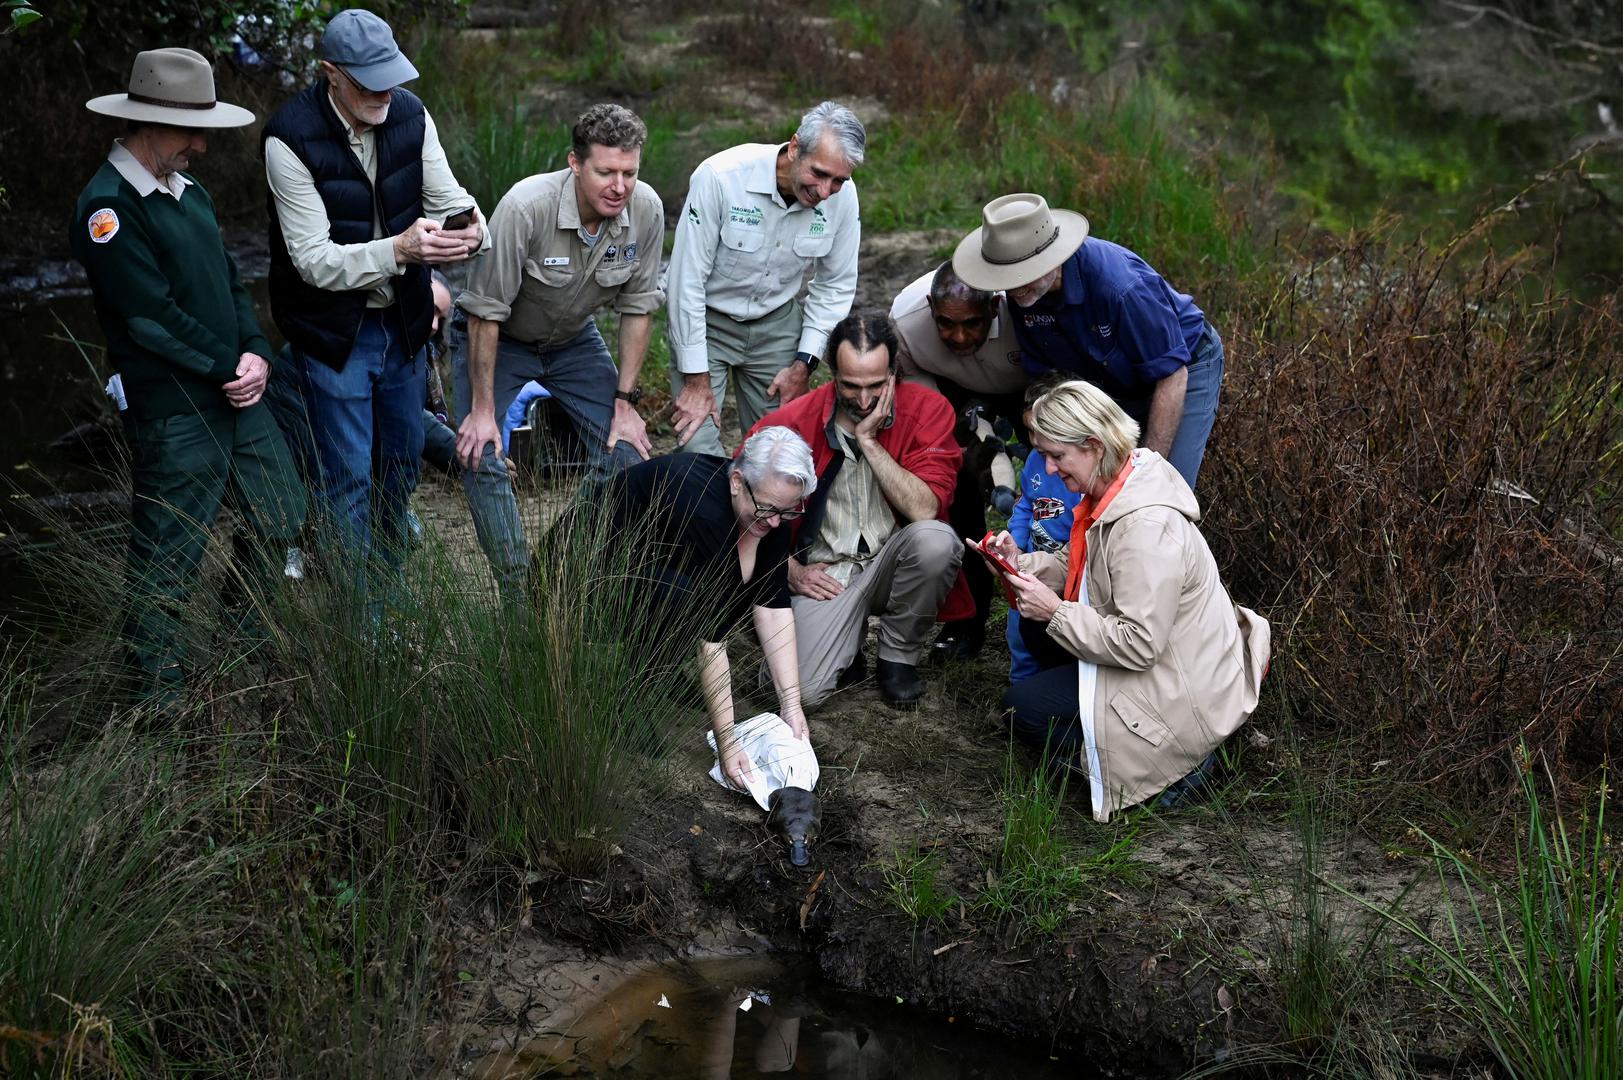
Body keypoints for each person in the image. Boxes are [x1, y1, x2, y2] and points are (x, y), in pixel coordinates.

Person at [72, 47, 305, 704]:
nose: (202, 146)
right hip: (176, 409)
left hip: (239, 391)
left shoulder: (187, 192)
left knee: (281, 513)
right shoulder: (109, 207)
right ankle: (159, 706)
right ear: (145, 122)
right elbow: (148, 317)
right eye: (190, 131)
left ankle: (243, 644)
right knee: (166, 561)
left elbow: (230, 284)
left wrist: (256, 348)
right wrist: (225, 363)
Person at [263, 8, 487, 610]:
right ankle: (365, 621)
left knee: (401, 464)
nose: (385, 93)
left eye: (391, 76)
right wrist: (401, 249)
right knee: (348, 477)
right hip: (335, 332)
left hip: (405, 323)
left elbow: (449, 197)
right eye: (368, 81)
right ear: (330, 73)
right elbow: (312, 261)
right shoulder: (288, 137)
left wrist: (472, 229)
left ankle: (387, 585)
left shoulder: (409, 114)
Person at [976, 381, 1269, 821]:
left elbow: (1139, 644)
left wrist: (1056, 611)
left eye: (1057, 456)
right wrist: (1022, 563)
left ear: (1094, 445)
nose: (1049, 470)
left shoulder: (1144, 529)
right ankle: (1116, 740)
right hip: (1172, 663)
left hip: (1178, 690)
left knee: (1023, 711)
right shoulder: (1120, 483)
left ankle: (1180, 768)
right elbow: (1083, 565)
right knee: (1038, 634)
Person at [451, 103, 664, 600]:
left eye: (629, 172)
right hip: (498, 338)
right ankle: (517, 589)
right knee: (479, 450)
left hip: (572, 340)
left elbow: (638, 309)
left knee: (627, 451)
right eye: (605, 171)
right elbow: (485, 311)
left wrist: (625, 405)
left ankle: (559, 560)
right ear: (575, 163)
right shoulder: (526, 207)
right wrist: (483, 412)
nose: (619, 186)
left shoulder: (647, 209)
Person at [744, 313, 969, 709]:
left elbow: (925, 509)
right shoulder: (794, 421)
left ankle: (897, 658)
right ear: (831, 374)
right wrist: (786, 568)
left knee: (936, 540)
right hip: (827, 572)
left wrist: (868, 441)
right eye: (850, 386)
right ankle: (842, 649)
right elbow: (741, 501)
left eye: (876, 386)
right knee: (800, 693)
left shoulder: (928, 410)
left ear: (895, 371)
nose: (864, 401)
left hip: (895, 559)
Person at [953, 193, 1225, 491]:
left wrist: (1146, 469)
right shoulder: (1025, 295)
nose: (1013, 289)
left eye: (1023, 275)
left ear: (1052, 259)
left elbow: (1171, 375)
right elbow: (1048, 380)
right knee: (1096, 481)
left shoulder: (1120, 287)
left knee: (1164, 486)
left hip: (1182, 365)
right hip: (1110, 377)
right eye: (1005, 277)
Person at [604, 427, 816, 790]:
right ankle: (625, 700)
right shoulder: (704, 512)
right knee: (685, 597)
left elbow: (773, 606)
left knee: (711, 587)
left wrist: (791, 705)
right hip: (591, 581)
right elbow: (710, 639)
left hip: (654, 574)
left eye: (787, 511)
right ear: (737, 481)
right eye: (767, 509)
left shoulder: (768, 510)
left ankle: (662, 669)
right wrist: (728, 743)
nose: (776, 522)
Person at [667, 102, 865, 456]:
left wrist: (804, 364)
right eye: (818, 174)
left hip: (776, 324)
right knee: (697, 447)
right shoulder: (720, 177)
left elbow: (836, 284)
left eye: (838, 181)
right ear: (794, 148)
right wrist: (696, 381)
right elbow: (686, 281)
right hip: (707, 321)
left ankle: (759, 509)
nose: (824, 191)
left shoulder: (843, 198)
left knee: (781, 450)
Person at [893, 259, 1031, 660]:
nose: (958, 335)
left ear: (995, 307)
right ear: (929, 309)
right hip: (950, 387)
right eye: (945, 324)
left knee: (1053, 482)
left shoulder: (1023, 310)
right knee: (957, 493)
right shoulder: (906, 322)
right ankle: (966, 620)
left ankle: (1052, 604)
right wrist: (958, 443)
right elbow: (922, 405)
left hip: (1027, 382)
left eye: (971, 323)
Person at [1003, 376, 1082, 683]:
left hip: (1064, 570)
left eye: (1042, 430)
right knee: (1017, 625)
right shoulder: (1038, 460)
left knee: (1053, 628)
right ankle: (1021, 682)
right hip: (1031, 562)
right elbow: (1025, 505)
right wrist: (1016, 542)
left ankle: (1052, 682)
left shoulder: (1078, 471)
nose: (1034, 439)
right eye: (1030, 430)